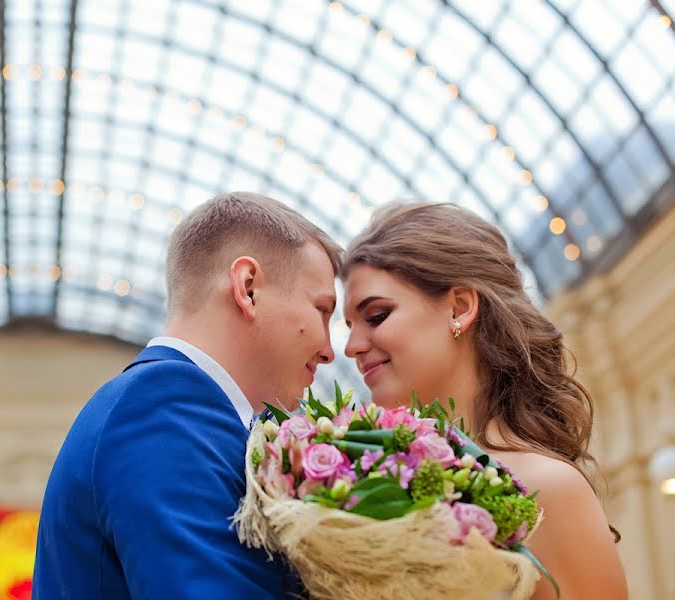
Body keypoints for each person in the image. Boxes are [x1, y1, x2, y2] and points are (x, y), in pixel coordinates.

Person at [33, 191, 342, 598]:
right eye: (322, 310)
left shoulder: (181, 411)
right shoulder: (162, 408)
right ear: (248, 288)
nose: (328, 350)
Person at [341, 201, 628, 600]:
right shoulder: (369, 479)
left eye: (375, 316)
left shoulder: (548, 488)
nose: (351, 347)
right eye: (348, 326)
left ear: (459, 307)